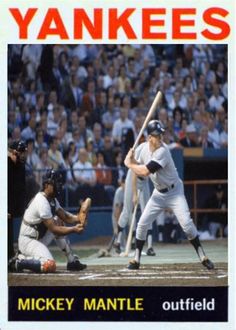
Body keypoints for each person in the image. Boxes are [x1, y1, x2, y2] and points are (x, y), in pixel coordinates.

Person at [124, 119, 214, 270]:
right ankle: (136, 260)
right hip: (158, 194)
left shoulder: (163, 151)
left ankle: (202, 255)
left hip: (174, 192)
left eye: (161, 135)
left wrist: (128, 164)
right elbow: (137, 166)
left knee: (186, 224)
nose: (160, 138)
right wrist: (132, 158)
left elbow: (145, 171)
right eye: (156, 136)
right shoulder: (143, 148)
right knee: (142, 224)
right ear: (149, 138)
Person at [9, 169, 91, 273]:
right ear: (47, 185)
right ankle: (19, 261)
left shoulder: (51, 199)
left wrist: (78, 218)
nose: (59, 185)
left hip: (39, 238)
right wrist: (74, 229)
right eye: (55, 183)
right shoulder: (41, 201)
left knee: (58, 220)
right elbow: (54, 229)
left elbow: (65, 216)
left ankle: (72, 261)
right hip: (28, 241)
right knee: (49, 265)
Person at [115, 143, 156, 256]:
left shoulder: (159, 152)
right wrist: (134, 194)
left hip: (145, 180)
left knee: (147, 211)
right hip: (133, 177)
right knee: (127, 211)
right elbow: (134, 172)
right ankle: (118, 242)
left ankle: (150, 246)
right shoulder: (143, 150)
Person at [8, 140, 27, 261]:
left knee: (24, 225)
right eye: (21, 152)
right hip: (7, 202)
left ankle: (20, 253)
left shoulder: (21, 165)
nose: (23, 154)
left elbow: (22, 187)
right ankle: (8, 256)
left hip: (17, 201)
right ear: (14, 152)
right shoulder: (7, 164)